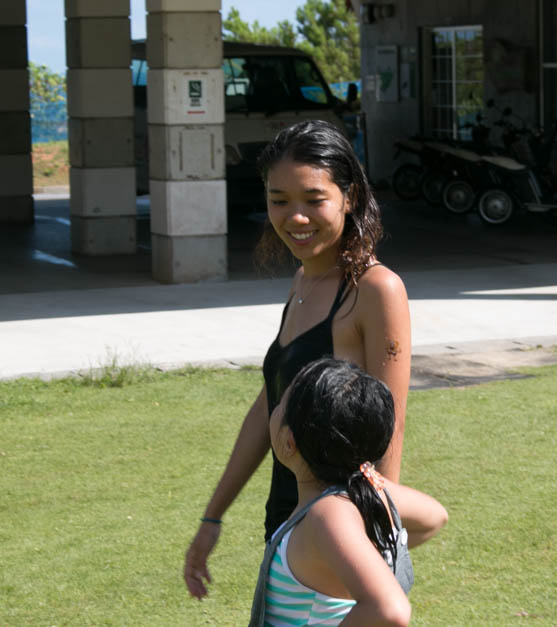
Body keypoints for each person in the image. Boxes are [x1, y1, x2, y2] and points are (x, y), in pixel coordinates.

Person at [184, 120, 412, 598]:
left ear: (348, 197)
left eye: (314, 199)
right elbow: (271, 401)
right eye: (279, 200)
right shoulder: (303, 283)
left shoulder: (375, 290)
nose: (296, 218)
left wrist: (379, 540)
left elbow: (389, 429)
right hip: (287, 523)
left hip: (340, 532)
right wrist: (212, 515)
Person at [250, 358, 446, 626]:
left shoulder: (328, 515)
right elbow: (434, 516)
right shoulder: (341, 505)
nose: (275, 409)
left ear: (289, 442)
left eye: (281, 404)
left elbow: (391, 610)